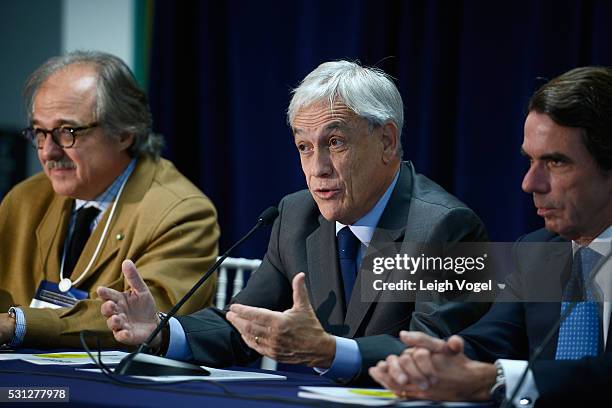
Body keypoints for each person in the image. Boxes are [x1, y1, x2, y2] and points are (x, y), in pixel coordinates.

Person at [98, 60, 488, 384]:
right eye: (304, 147)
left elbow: (432, 355)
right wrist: (162, 330)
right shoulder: (296, 216)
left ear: (387, 141)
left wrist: (330, 351)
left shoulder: (447, 228)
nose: (317, 169)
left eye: (335, 143)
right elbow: (245, 325)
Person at [369, 66, 612, 405]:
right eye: (530, 161)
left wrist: (494, 378)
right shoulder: (538, 251)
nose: (530, 184)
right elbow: (492, 339)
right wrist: (440, 360)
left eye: (556, 163)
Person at [0, 51, 219, 349]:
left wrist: (19, 325)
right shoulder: (25, 199)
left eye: (68, 132)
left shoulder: (181, 212)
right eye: (39, 132)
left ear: (124, 132)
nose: (47, 152)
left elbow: (142, 318)